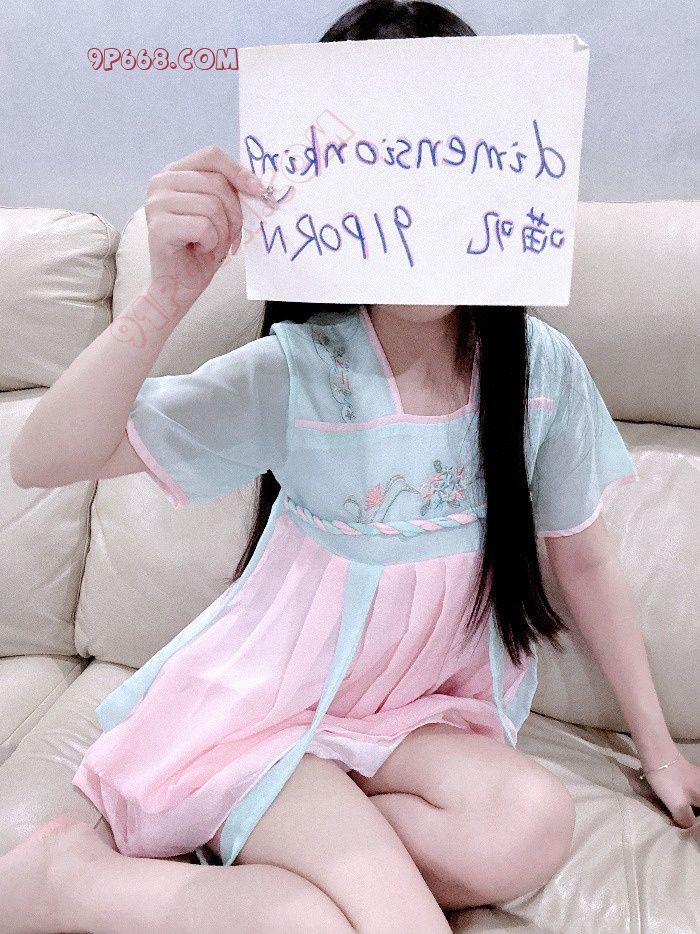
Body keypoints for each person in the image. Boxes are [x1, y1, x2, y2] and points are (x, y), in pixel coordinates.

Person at [5, 2, 699, 932]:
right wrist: (166, 296)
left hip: (403, 721)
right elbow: (42, 457)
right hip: (269, 719)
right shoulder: (301, 373)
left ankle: (270, 853)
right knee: (332, 920)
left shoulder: (541, 375)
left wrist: (659, 750)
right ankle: (66, 878)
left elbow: (585, 558)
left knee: (532, 822)